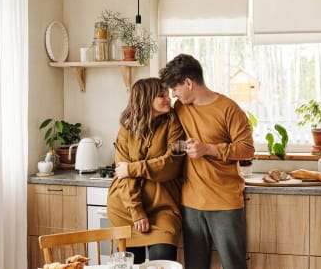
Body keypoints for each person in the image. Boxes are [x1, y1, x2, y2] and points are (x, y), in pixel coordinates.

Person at [159, 53, 255, 269]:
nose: (173, 94)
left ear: (188, 83)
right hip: (191, 203)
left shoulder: (229, 109)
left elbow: (247, 149)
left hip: (225, 202)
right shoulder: (180, 108)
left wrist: (208, 149)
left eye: (175, 88)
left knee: (234, 265)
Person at [107, 77, 185, 264]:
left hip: (163, 208)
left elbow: (172, 164)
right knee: (131, 266)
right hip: (126, 209)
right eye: (161, 95)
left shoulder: (174, 122)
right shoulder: (125, 131)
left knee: (163, 263)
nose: (168, 98)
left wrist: (133, 168)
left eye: (167, 94)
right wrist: (137, 212)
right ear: (145, 100)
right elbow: (123, 177)